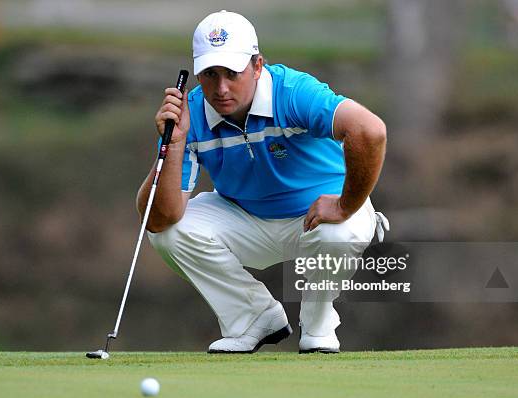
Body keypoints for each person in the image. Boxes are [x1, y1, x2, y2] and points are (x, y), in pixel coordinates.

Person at [136, 10, 389, 353]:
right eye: (210, 75)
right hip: (245, 218)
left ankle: (317, 324)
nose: (221, 88)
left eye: (232, 73)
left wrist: (346, 205)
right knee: (168, 232)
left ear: (257, 66)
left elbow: (370, 131)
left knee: (339, 232)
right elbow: (158, 217)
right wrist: (175, 141)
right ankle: (253, 318)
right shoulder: (188, 115)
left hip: (318, 217)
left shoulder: (293, 92)